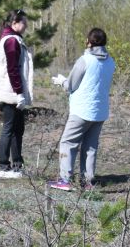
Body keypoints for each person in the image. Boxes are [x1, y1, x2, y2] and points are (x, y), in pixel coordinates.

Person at [49, 28, 115, 192]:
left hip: (82, 110)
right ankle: (87, 182)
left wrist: (60, 81)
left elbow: (71, 85)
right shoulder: (110, 61)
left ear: (89, 42)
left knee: (68, 143)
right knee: (90, 146)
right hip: (100, 112)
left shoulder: (85, 60)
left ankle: (65, 180)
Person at [0, 10, 34, 179]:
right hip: (11, 92)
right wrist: (19, 92)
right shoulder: (11, 41)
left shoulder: (14, 39)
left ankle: (17, 165)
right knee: (9, 128)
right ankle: (3, 166)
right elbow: (13, 70)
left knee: (17, 129)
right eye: (24, 22)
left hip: (13, 92)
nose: (26, 25)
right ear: (15, 22)